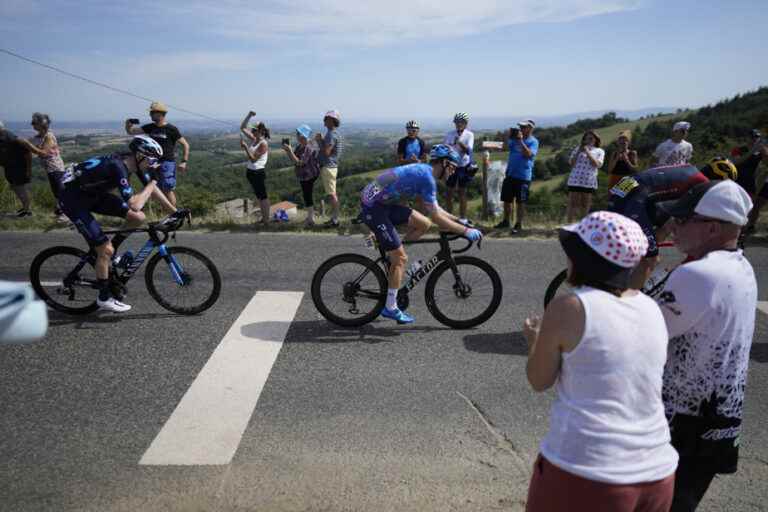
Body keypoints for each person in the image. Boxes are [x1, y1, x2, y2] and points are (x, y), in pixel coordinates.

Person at [524, 211, 678, 512]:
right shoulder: (650, 307)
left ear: (582, 259)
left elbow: (539, 380)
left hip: (589, 472)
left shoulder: (569, 307)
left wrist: (534, 341)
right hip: (658, 470)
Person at [654, 180, 757, 511]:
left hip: (680, 425)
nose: (673, 225)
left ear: (712, 227)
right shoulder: (740, 267)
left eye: (683, 220)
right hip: (718, 421)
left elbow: (643, 333)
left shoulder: (699, 274)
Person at [360, 144, 483, 324]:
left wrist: (458, 220)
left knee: (424, 224)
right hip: (374, 206)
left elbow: (435, 210)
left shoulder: (426, 173)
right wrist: (465, 231)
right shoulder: (426, 177)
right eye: (452, 167)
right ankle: (390, 307)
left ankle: (392, 257)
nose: (453, 172)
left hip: (382, 202)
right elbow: (438, 218)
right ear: (443, 163)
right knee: (401, 258)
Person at [58, 135, 178, 313]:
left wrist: (174, 211)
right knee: (105, 249)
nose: (153, 164)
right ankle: (104, 297)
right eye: (152, 159)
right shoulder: (118, 167)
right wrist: (151, 185)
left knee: (137, 218)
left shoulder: (131, 162)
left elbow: (152, 191)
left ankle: (110, 256)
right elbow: (136, 203)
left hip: (92, 195)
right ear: (140, 155)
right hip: (73, 200)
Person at [606, 158, 736, 289]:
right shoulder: (702, 183)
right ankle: (628, 299)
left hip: (626, 186)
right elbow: (692, 215)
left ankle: (627, 267)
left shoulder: (691, 170)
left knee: (660, 229)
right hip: (636, 197)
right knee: (651, 259)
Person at [125, 101, 190, 208]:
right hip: (152, 163)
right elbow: (131, 132)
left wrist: (184, 162)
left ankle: (174, 214)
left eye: (152, 113)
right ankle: (166, 213)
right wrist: (127, 125)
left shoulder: (171, 129)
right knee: (155, 190)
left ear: (160, 113)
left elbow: (186, 145)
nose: (150, 114)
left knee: (167, 189)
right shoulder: (150, 127)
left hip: (167, 163)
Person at [496, 120, 538, 234]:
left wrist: (520, 141)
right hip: (510, 173)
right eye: (520, 127)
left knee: (520, 201)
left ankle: (519, 224)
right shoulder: (514, 139)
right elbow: (504, 147)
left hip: (523, 176)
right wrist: (506, 136)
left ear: (530, 128)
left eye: (524, 127)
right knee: (507, 200)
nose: (521, 129)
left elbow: (528, 154)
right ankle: (506, 221)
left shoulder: (533, 141)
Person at [29, 113, 67, 220]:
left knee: (60, 191)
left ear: (42, 124)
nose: (32, 125)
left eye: (34, 122)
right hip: (50, 169)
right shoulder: (38, 137)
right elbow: (27, 144)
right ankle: (60, 211)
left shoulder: (49, 136)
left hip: (56, 168)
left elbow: (44, 153)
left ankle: (65, 214)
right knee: (56, 191)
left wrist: (28, 146)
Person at [0, 120, 42, 217]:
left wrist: (28, 170)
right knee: (16, 188)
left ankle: (27, 211)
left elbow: (28, 154)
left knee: (20, 188)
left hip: (18, 168)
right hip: (10, 168)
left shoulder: (10, 138)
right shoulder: (4, 137)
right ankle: (25, 207)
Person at [282, 124, 320, 226]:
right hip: (304, 175)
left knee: (307, 195)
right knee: (306, 195)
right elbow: (294, 159)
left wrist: (289, 151)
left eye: (298, 134)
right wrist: (288, 151)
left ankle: (311, 219)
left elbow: (300, 163)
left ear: (303, 135)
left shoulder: (308, 147)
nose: (297, 136)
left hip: (309, 175)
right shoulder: (300, 146)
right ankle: (310, 217)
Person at [730, 129, 767, 232]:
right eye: (754, 137)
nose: (756, 140)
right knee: (735, 205)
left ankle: (742, 229)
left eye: (758, 138)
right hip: (737, 181)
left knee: (748, 207)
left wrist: (765, 152)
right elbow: (736, 162)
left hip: (751, 182)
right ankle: (732, 227)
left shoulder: (759, 151)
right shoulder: (738, 149)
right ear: (748, 138)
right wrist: (752, 151)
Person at [239, 112, 271, 225]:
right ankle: (264, 219)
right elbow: (242, 127)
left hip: (258, 172)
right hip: (252, 172)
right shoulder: (254, 139)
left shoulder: (263, 144)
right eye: (252, 130)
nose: (252, 131)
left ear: (261, 131)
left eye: (254, 130)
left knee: (263, 197)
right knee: (260, 197)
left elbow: (253, 159)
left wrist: (246, 147)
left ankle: (266, 220)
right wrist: (249, 115)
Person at [566, 131, 605, 222]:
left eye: (591, 138)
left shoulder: (600, 151)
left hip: (589, 181)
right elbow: (571, 163)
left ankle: (583, 225)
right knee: (572, 203)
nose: (589, 140)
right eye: (587, 138)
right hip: (575, 179)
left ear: (596, 140)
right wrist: (579, 151)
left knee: (585, 204)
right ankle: (569, 224)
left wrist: (588, 152)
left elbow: (597, 164)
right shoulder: (577, 149)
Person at [443, 113, 475, 220]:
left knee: (462, 192)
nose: (458, 124)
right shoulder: (449, 134)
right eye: (457, 122)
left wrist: (459, 142)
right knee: (449, 193)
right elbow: (445, 150)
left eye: (461, 122)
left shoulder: (469, 134)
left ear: (465, 123)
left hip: (463, 166)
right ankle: (449, 218)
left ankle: (463, 218)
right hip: (451, 166)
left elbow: (468, 151)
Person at [315, 110, 343, 227]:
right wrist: (322, 140)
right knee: (332, 194)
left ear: (332, 121)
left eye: (326, 118)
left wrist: (318, 141)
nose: (324, 120)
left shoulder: (331, 134)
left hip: (328, 167)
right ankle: (334, 218)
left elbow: (326, 152)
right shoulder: (334, 133)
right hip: (331, 167)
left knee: (332, 195)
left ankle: (335, 219)